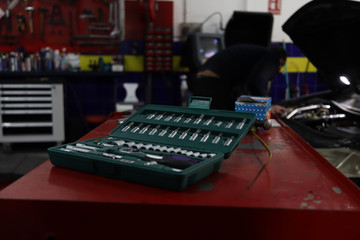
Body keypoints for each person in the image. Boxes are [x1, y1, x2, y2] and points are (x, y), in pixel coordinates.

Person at [190, 44, 287, 115]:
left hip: (203, 82)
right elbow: (258, 80)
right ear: (281, 61)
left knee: (202, 122)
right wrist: (267, 107)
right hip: (212, 84)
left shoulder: (256, 56)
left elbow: (245, 87)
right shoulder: (272, 58)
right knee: (215, 122)